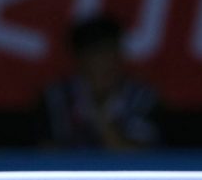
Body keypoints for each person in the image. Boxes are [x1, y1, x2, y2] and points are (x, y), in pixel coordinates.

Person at [38, 14, 161, 150]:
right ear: (79, 60)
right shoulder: (56, 97)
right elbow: (45, 154)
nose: (107, 63)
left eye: (112, 52)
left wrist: (100, 116)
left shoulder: (142, 97)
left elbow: (140, 159)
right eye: (97, 54)